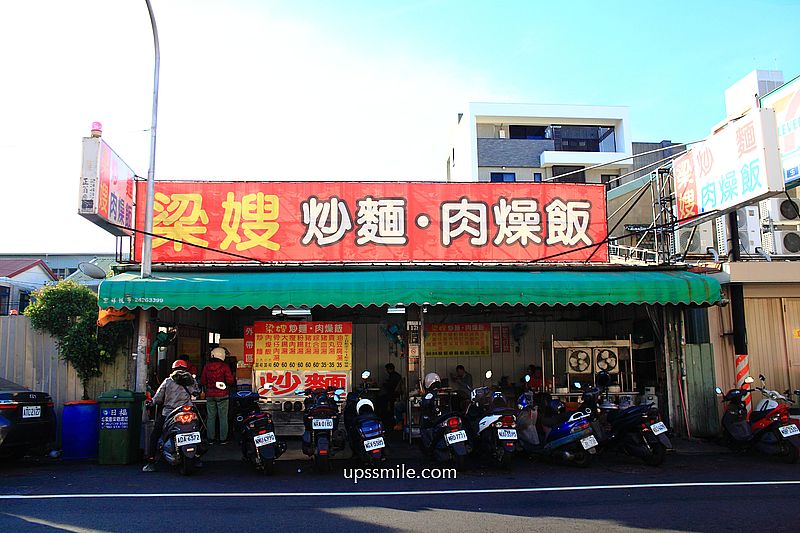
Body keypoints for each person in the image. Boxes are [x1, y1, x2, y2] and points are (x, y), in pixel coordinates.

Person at [143, 359, 199, 472]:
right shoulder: (191, 380)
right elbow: (196, 392)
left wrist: (151, 402)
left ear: (173, 369)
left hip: (169, 412)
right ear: (185, 369)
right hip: (187, 411)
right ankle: (197, 457)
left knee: (155, 435)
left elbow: (158, 398)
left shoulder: (168, 381)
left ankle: (151, 461)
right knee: (196, 431)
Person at [200, 347, 235, 444]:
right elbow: (230, 381)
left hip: (210, 395)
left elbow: (202, 381)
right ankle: (223, 439)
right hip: (223, 395)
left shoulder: (207, 366)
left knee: (211, 417)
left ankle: (210, 438)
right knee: (223, 417)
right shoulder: (225, 367)